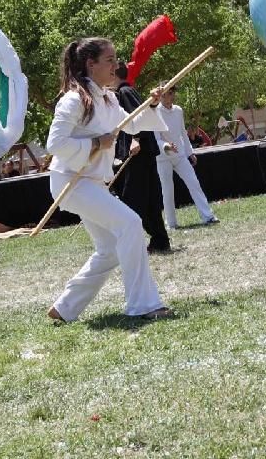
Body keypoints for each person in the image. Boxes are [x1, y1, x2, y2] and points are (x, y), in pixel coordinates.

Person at [45, 38, 171, 323]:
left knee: (111, 249)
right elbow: (55, 144)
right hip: (70, 181)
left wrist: (151, 104)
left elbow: (134, 123)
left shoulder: (109, 98)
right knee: (130, 223)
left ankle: (64, 308)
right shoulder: (73, 100)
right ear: (91, 65)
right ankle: (143, 304)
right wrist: (94, 144)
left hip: (92, 182)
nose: (117, 65)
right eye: (110, 60)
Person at [111, 61, 171, 253]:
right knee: (146, 199)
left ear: (114, 75)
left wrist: (135, 139)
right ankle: (159, 240)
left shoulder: (125, 92)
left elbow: (139, 118)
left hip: (138, 154)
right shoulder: (119, 94)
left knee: (133, 199)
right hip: (137, 154)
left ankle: (136, 242)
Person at [154, 83, 219, 229]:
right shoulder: (154, 112)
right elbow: (155, 138)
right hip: (163, 158)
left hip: (180, 156)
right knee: (167, 190)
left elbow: (183, 133)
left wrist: (190, 152)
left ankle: (208, 216)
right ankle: (171, 223)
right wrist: (166, 147)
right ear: (162, 94)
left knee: (194, 183)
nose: (173, 95)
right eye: (170, 92)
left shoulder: (178, 110)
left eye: (173, 92)